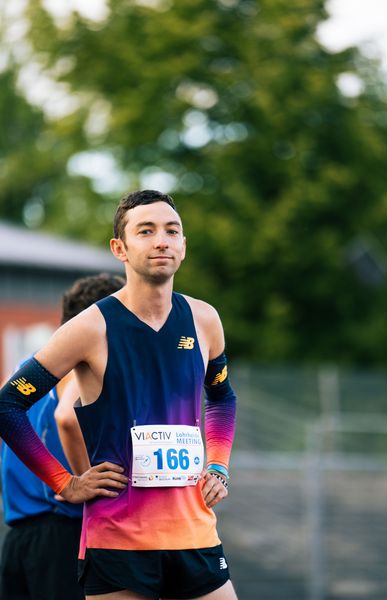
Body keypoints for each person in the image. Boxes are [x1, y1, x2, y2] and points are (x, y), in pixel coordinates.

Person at [0, 190, 238, 600]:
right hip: (119, 541)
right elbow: (8, 405)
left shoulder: (205, 319)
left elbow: (221, 398)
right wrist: (65, 483)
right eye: (145, 231)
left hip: (195, 533)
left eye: (171, 230)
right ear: (120, 248)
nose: (161, 240)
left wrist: (218, 466)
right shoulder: (90, 327)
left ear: (183, 245)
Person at [0, 272, 125, 600]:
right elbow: (67, 417)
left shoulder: (30, 369)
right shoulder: (81, 366)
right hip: (61, 536)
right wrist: (81, 482)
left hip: (17, 540)